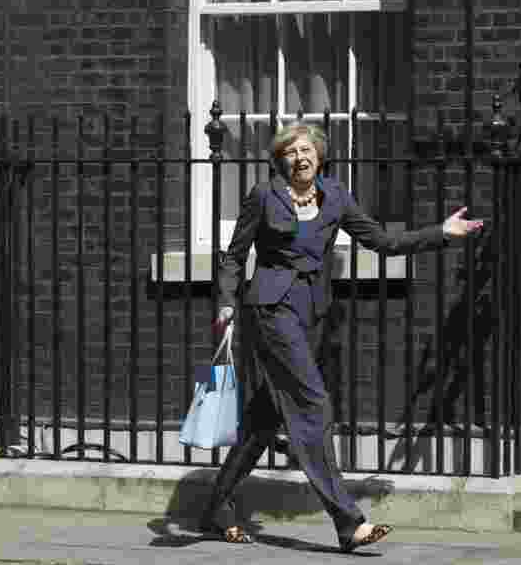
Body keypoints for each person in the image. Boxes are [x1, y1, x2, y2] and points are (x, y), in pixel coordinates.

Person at [200, 123, 484, 551]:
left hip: (309, 313)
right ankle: (349, 522)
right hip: (270, 310)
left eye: (306, 149)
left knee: (265, 417)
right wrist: (225, 301)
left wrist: (440, 233)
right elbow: (235, 256)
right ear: (281, 160)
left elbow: (383, 241)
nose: (300, 157)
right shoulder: (263, 196)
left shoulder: (336, 197)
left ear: (319, 154)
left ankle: (216, 506)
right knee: (313, 405)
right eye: (291, 152)